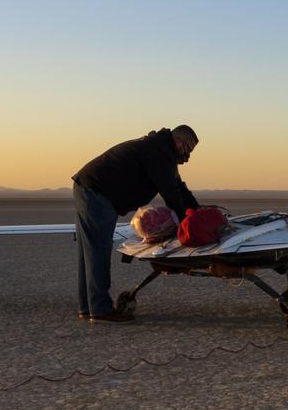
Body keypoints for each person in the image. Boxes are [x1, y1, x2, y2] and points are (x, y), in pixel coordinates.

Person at [72, 125, 199, 322]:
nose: (187, 155)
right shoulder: (157, 152)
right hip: (96, 193)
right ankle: (100, 310)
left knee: (89, 253)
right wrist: (187, 222)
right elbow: (170, 193)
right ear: (179, 141)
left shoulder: (160, 151)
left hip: (89, 188)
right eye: (188, 149)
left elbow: (178, 187)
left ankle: (88, 308)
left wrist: (197, 211)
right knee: (98, 250)